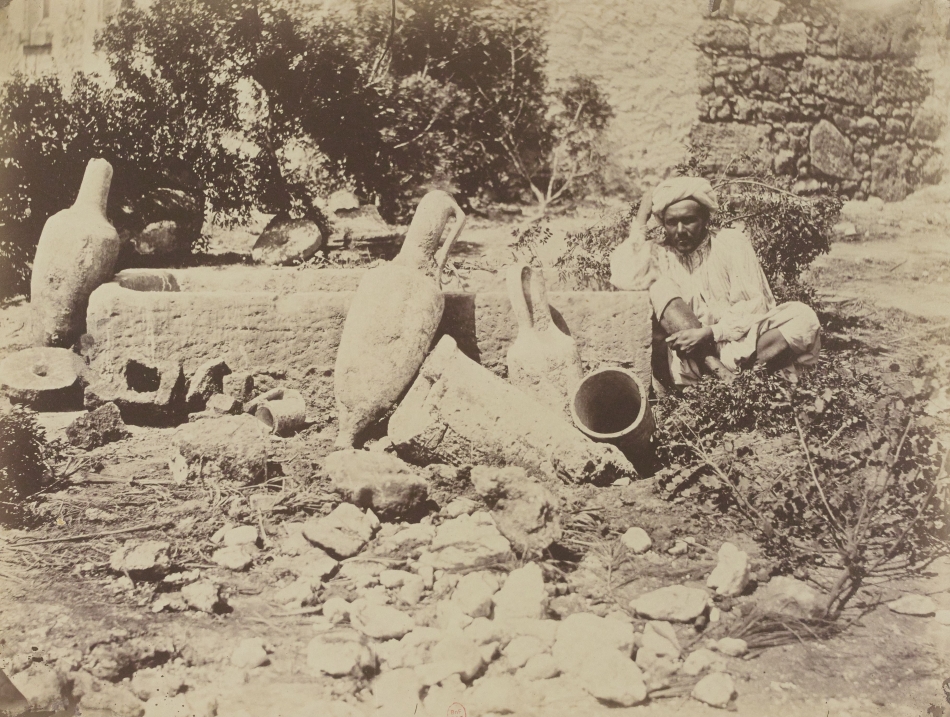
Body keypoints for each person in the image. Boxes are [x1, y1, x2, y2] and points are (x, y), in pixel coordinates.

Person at [609, 176, 821, 386]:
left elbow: (755, 306)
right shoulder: (659, 253)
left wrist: (710, 332)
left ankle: (743, 383)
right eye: (672, 222)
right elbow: (622, 273)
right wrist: (639, 222)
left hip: (744, 345)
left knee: (804, 317)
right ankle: (725, 376)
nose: (680, 231)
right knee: (659, 286)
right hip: (697, 359)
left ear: (705, 219)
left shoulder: (730, 242)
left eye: (689, 220)